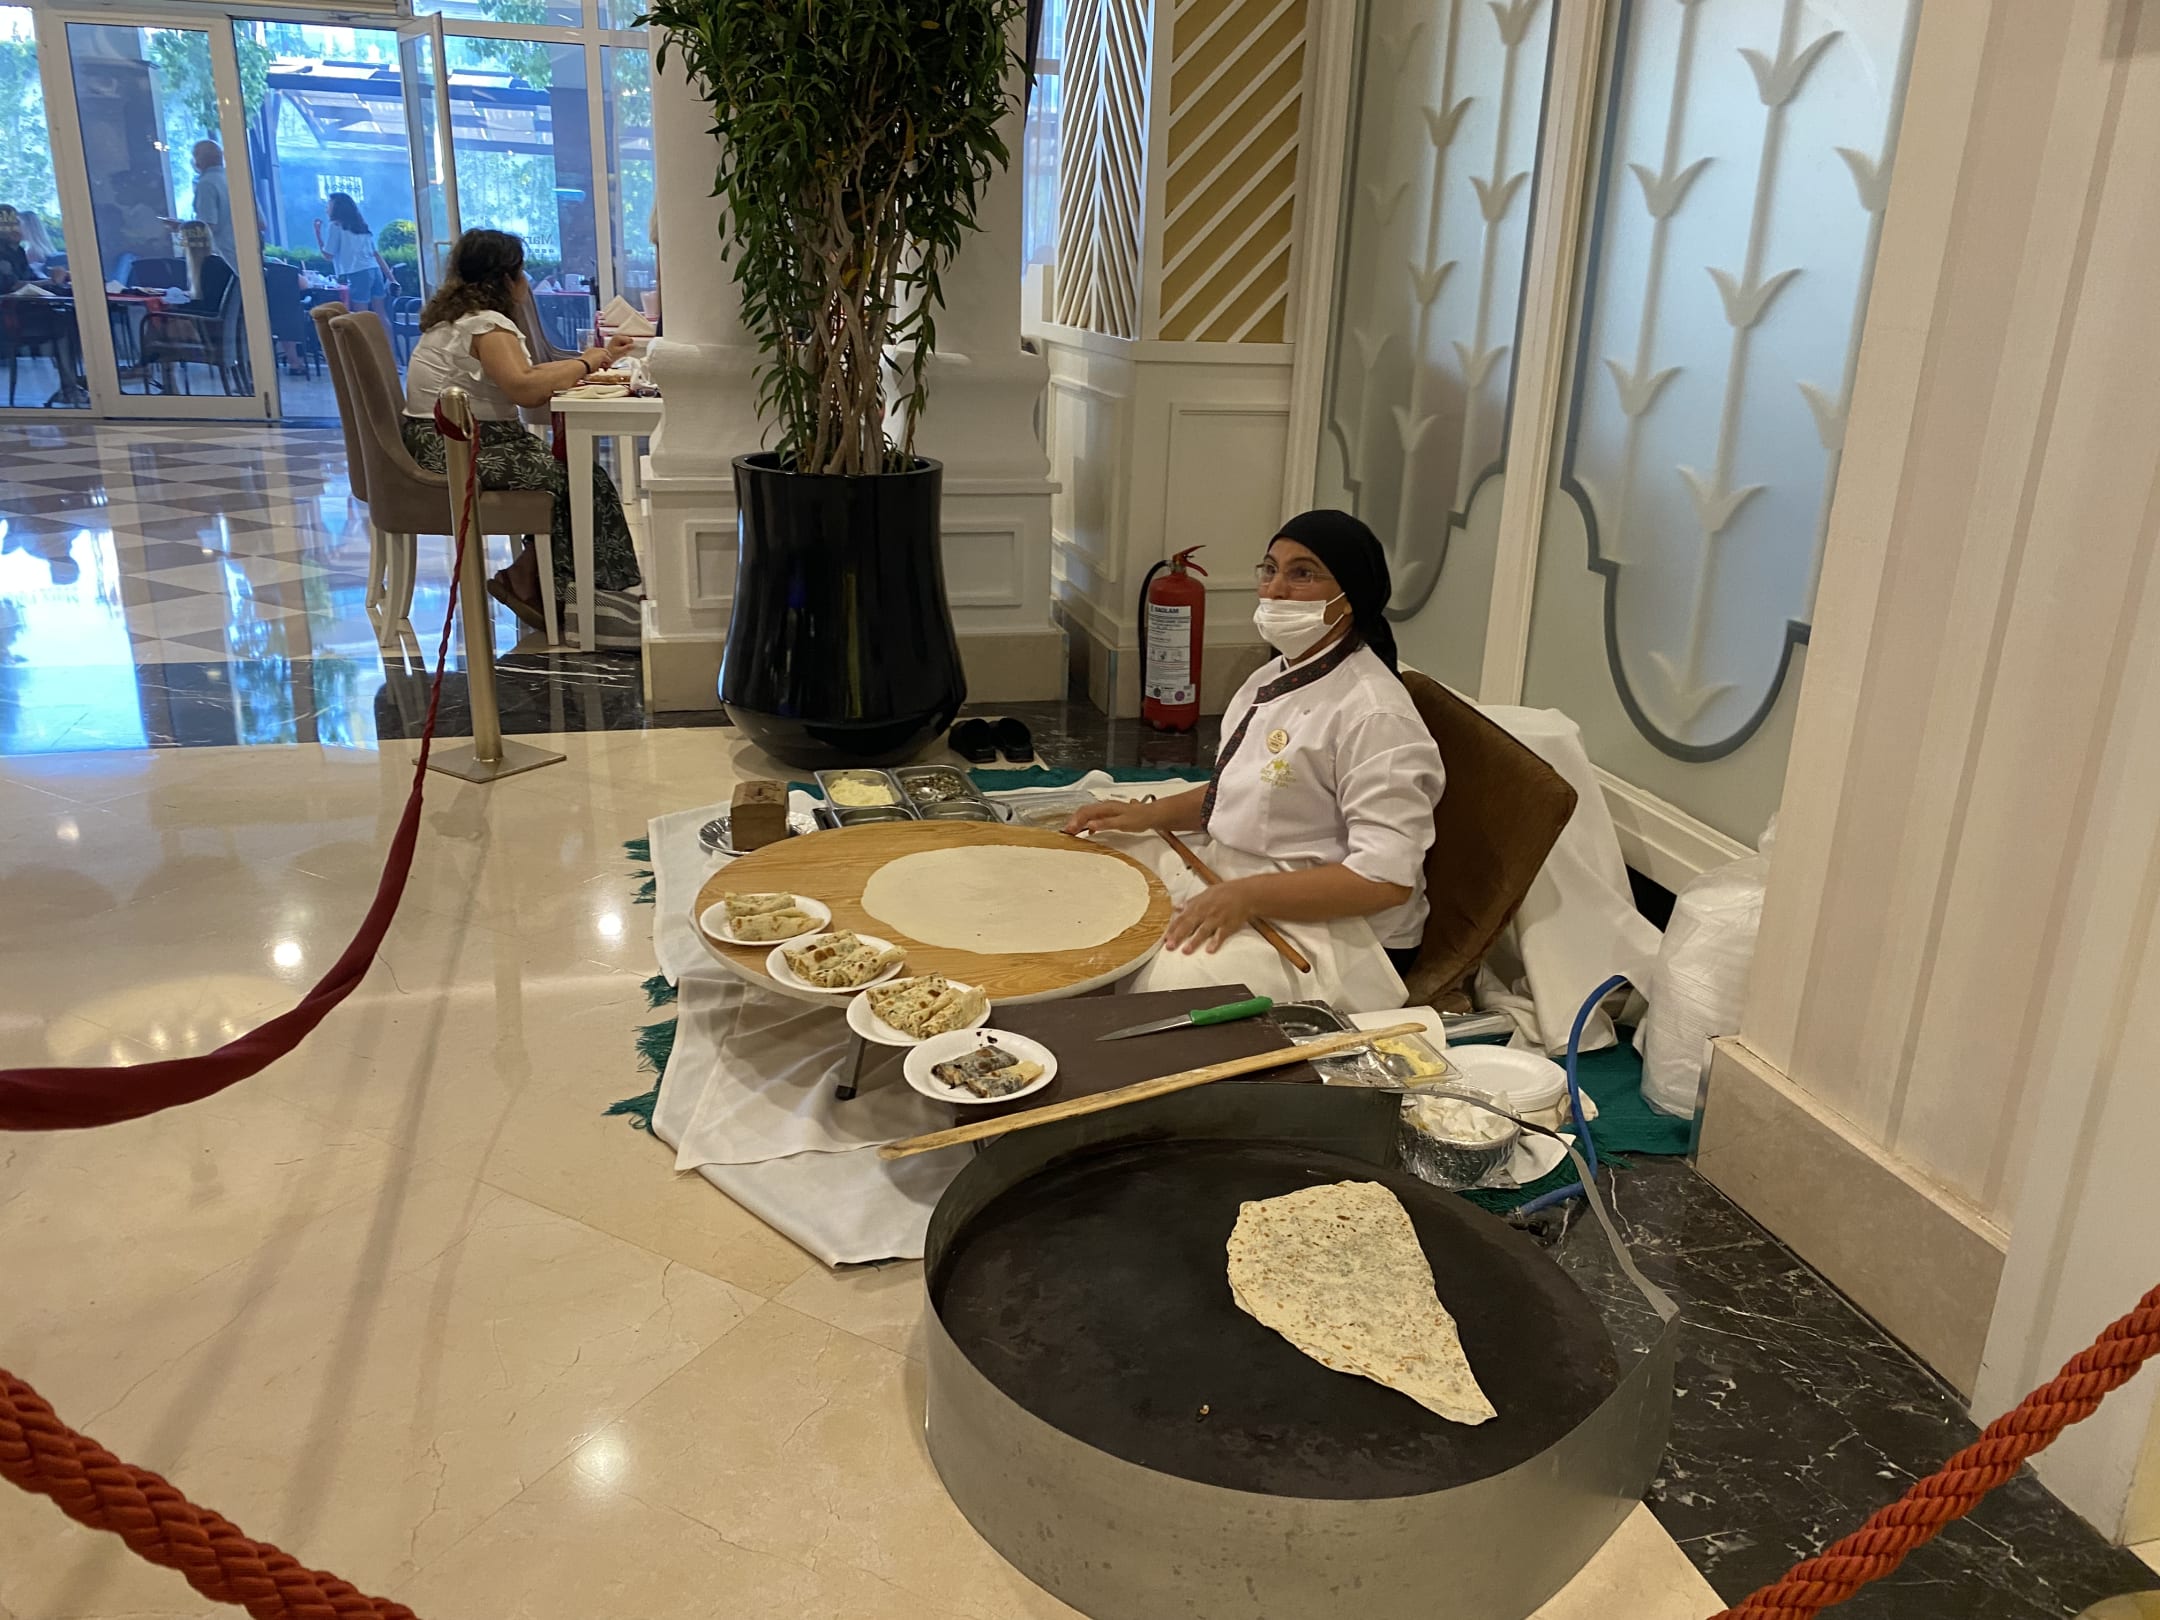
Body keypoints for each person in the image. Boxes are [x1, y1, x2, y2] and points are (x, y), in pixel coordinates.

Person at [1064, 511, 1446, 1009]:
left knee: (1170, 988)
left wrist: (1248, 896)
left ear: (1350, 596)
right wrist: (1149, 815)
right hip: (1235, 876)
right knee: (1091, 868)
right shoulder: (1272, 676)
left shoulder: (1376, 716)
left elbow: (1385, 880)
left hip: (1340, 935)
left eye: (1302, 573)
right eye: (1269, 569)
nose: (1275, 589)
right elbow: (1246, 787)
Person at [400, 227, 644, 648]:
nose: (526, 282)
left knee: (576, 478)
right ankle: (590, 602)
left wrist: (595, 359)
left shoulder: (459, 318)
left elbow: (527, 375)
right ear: (505, 278)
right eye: (522, 272)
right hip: (457, 447)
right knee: (582, 481)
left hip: (445, 439)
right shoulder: (486, 325)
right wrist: (588, 364)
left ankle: (533, 579)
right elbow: (525, 388)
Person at [313, 193, 389, 318]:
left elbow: (328, 255)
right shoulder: (361, 226)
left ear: (336, 207)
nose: (326, 209)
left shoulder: (336, 226)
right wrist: (391, 278)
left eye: (328, 205)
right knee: (381, 314)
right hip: (374, 270)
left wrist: (317, 234)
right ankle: (386, 332)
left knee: (361, 316)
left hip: (357, 272)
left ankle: (365, 332)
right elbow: (375, 253)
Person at [160, 141, 235, 265]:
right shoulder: (235, 179)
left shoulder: (206, 184)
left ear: (197, 161)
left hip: (224, 259)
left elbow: (206, 228)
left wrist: (180, 227)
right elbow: (260, 223)